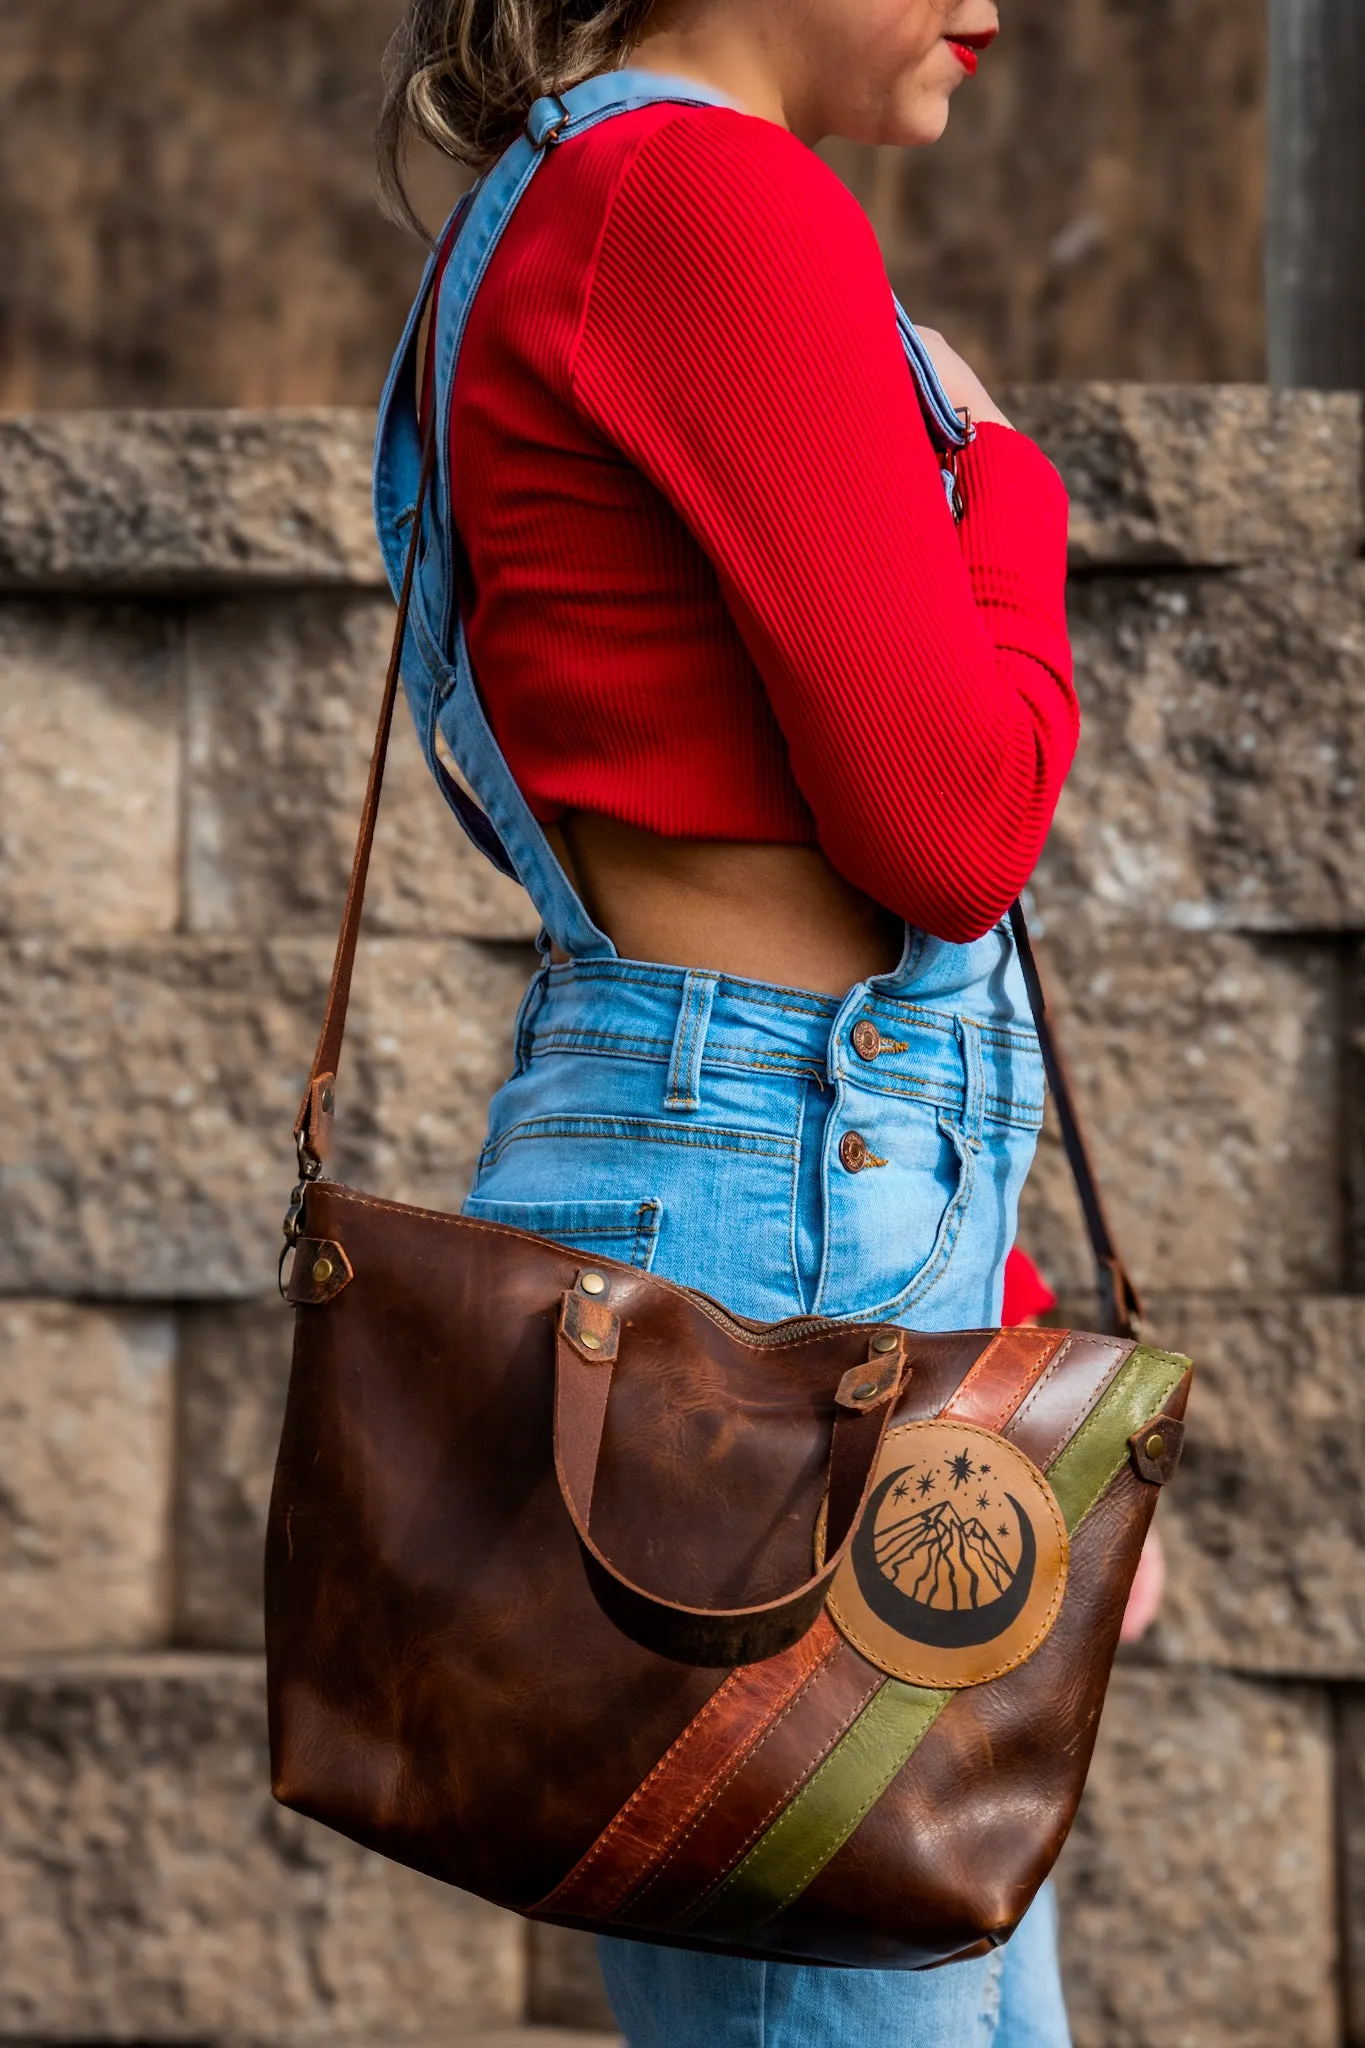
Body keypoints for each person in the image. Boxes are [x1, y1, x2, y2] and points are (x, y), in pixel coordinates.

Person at [376, 2, 1085, 2041]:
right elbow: (953, 823)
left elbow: (804, 930)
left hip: (788, 1212)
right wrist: (1005, 484)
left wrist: (995, 1310)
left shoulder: (529, 216)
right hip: (788, 1248)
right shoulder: (702, 196)